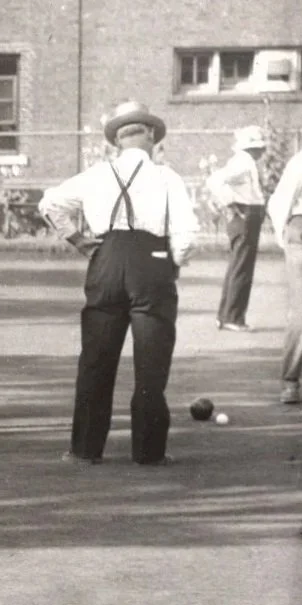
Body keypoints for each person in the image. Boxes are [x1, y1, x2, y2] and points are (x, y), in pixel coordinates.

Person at [38, 101, 197, 466]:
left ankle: (85, 449)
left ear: (117, 140)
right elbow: (186, 236)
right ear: (152, 135)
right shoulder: (167, 177)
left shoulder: (95, 174)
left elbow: (50, 203)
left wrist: (77, 240)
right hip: (152, 262)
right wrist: (172, 264)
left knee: (96, 357)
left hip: (105, 259)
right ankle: (148, 451)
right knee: (151, 361)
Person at [205, 124, 269, 332]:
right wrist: (229, 203)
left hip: (247, 214)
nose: (263, 151)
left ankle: (225, 315)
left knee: (237, 265)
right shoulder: (242, 163)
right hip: (245, 215)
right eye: (260, 147)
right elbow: (215, 181)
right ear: (251, 148)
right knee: (242, 267)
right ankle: (233, 316)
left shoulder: (243, 162)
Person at [265, 138, 302, 405]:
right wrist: (286, 237)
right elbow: (281, 201)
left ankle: (291, 382)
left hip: (301, 228)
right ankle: (290, 381)